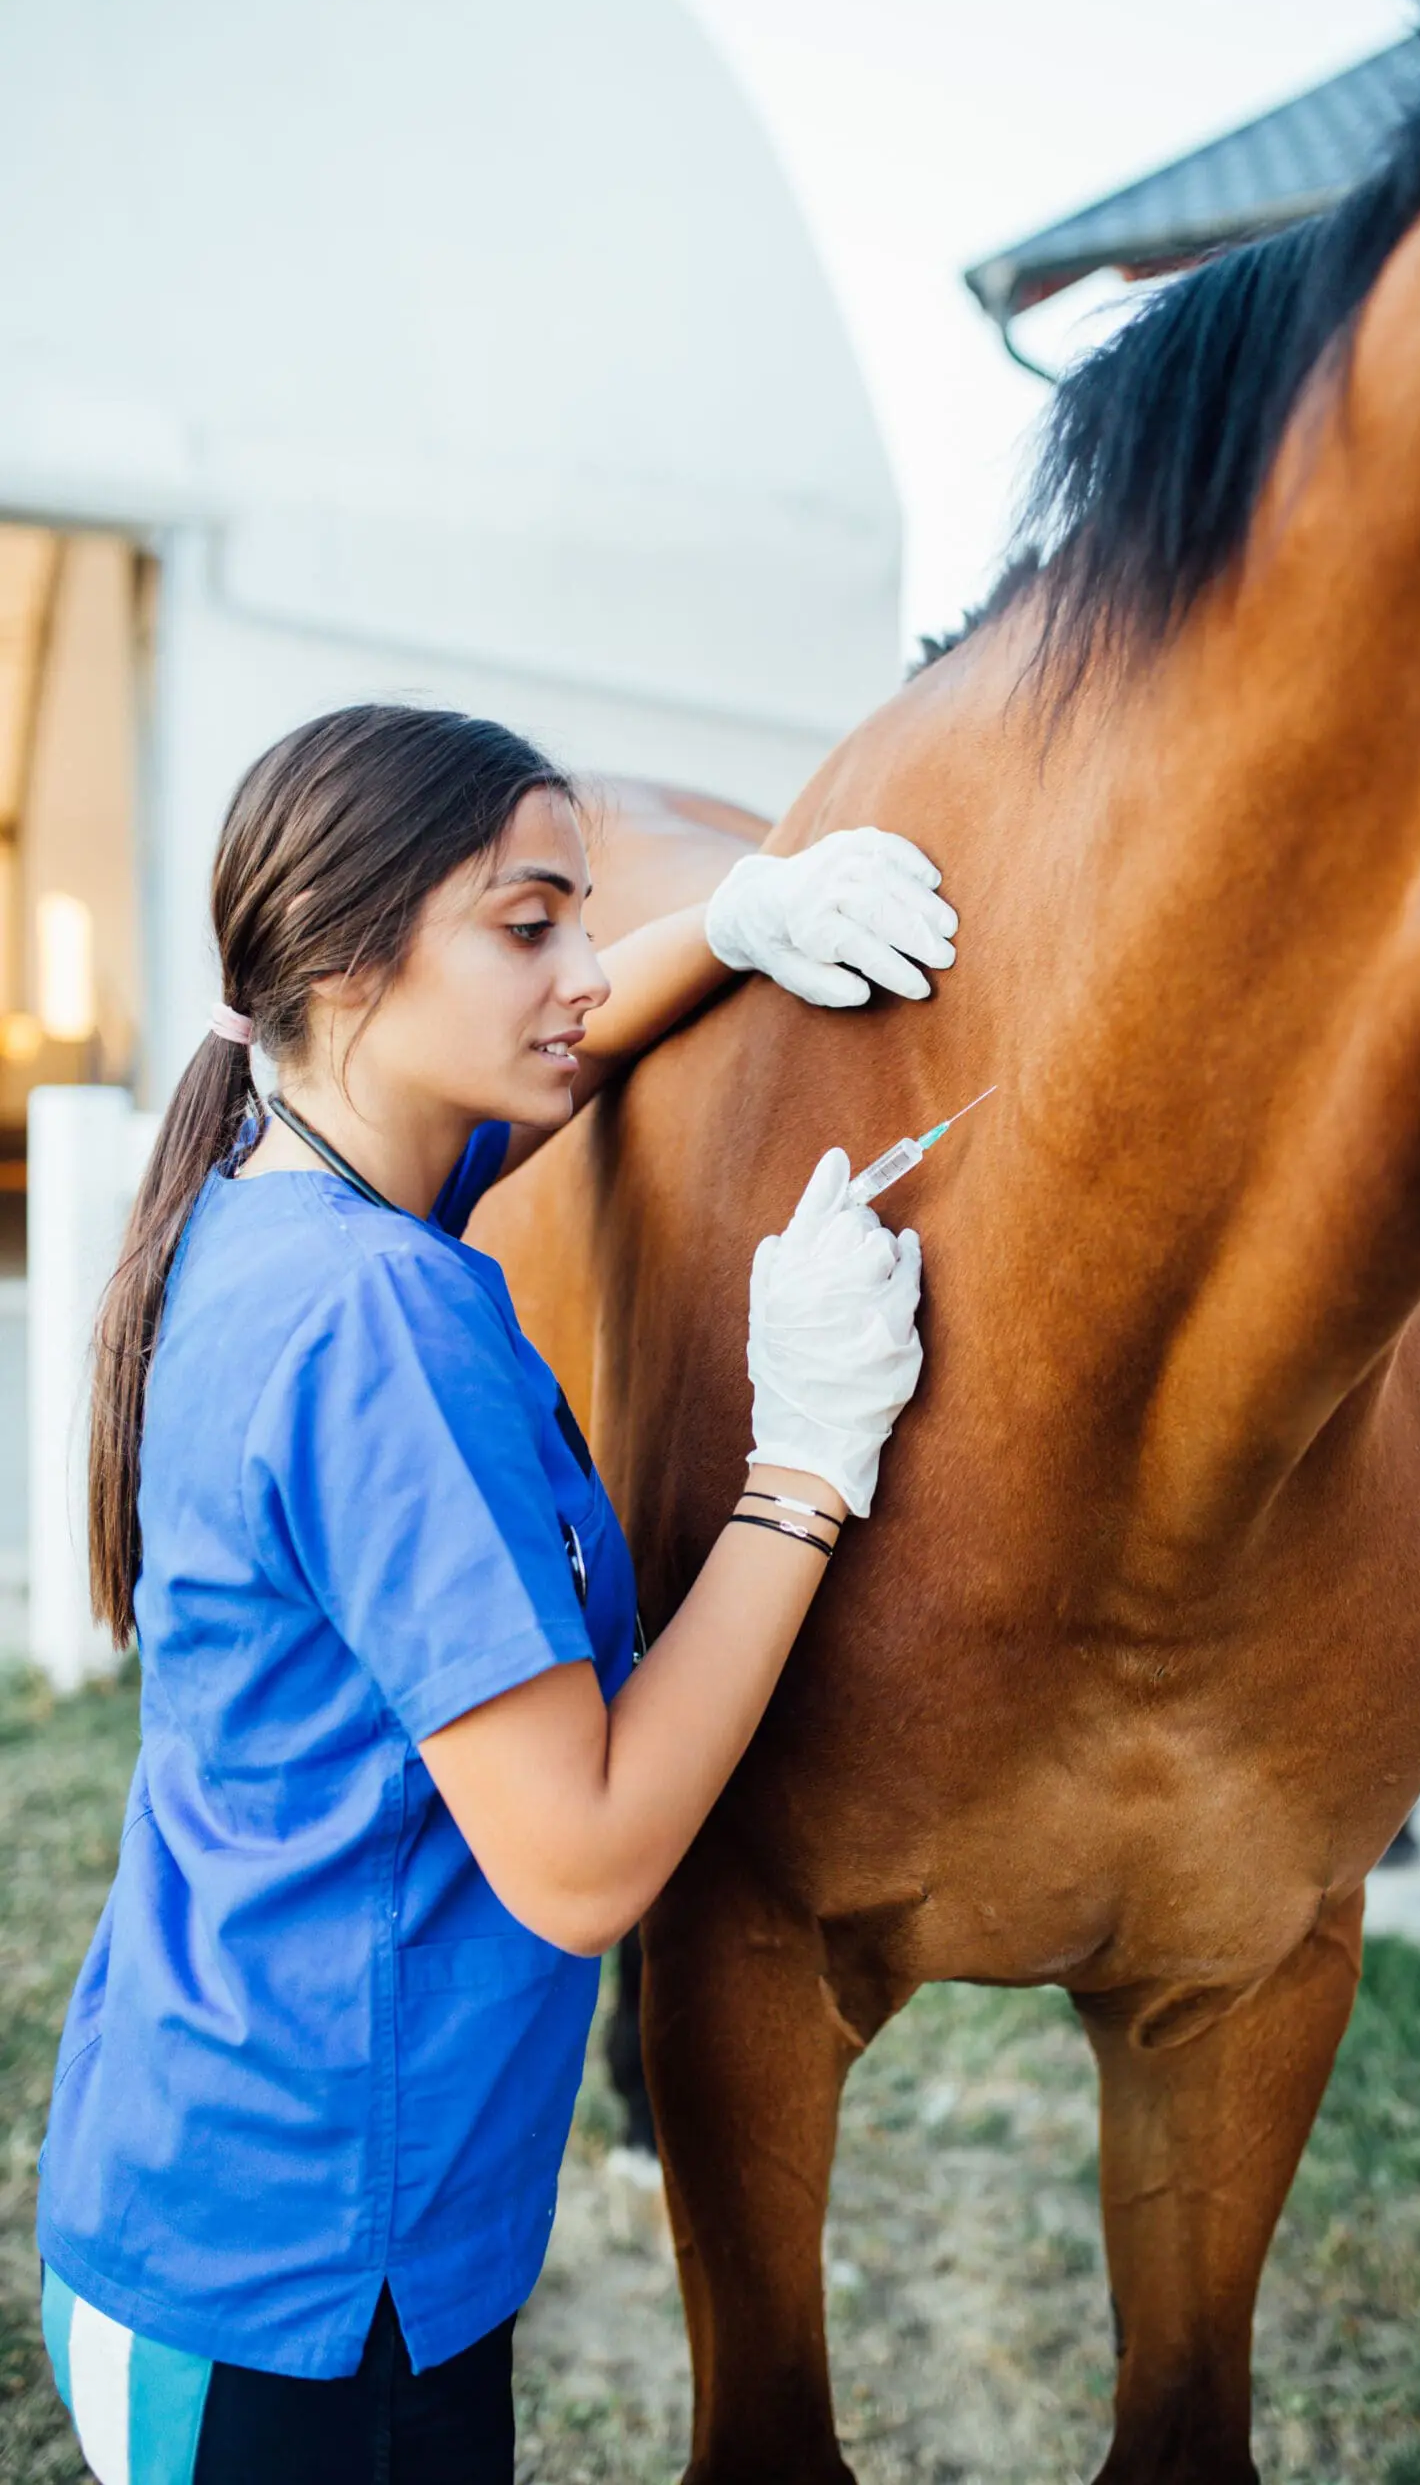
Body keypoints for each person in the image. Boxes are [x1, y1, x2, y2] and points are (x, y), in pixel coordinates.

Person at [36, 703, 956, 2485]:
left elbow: (561, 1073)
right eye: (529, 926)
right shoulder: (380, 1324)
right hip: (303, 2311)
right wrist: (807, 1469)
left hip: (202, 2202)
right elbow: (586, 1856)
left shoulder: (269, 1200)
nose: (583, 974)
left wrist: (741, 918)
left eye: (583, 922)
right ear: (346, 956)